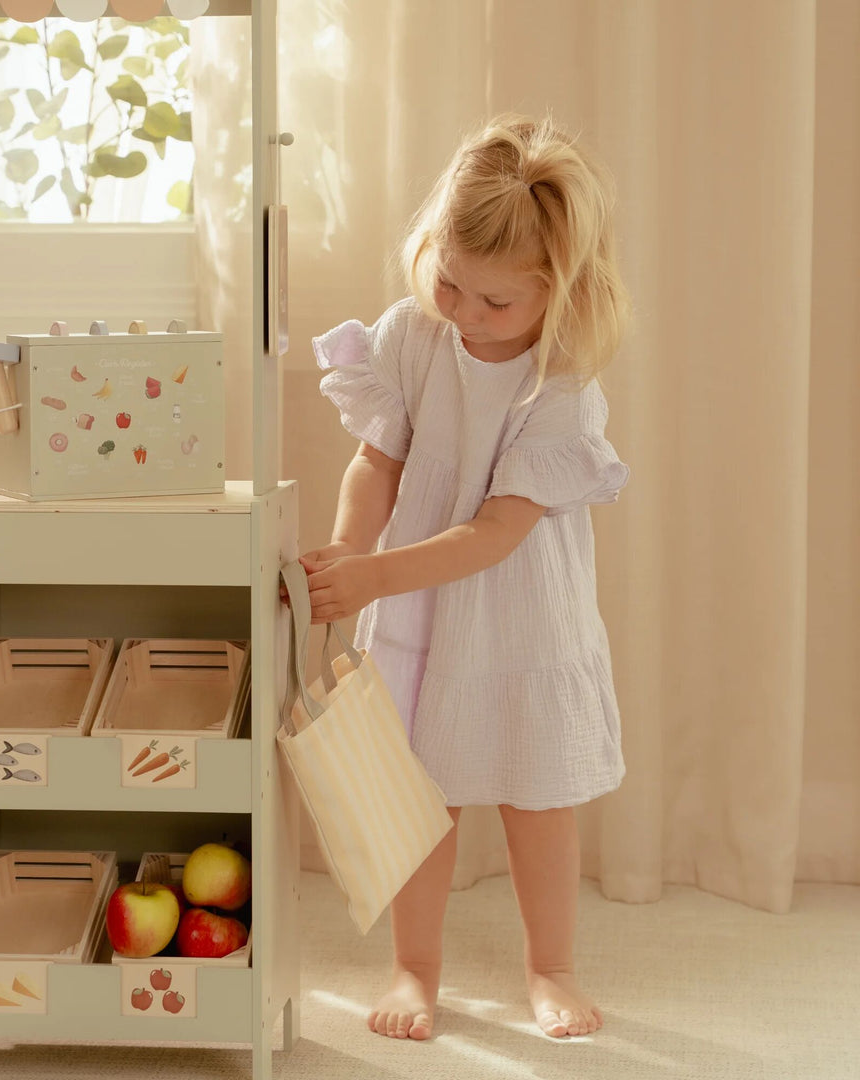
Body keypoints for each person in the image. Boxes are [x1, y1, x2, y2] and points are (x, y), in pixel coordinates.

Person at [302, 113, 631, 1042]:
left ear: (557, 293)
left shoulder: (562, 381)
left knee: (539, 797)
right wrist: (347, 547)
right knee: (418, 797)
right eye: (451, 282)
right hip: (415, 605)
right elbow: (379, 464)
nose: (467, 313)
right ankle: (414, 968)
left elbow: (494, 533)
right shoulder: (410, 336)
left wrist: (375, 575)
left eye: (497, 303)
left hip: (521, 613)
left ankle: (551, 966)